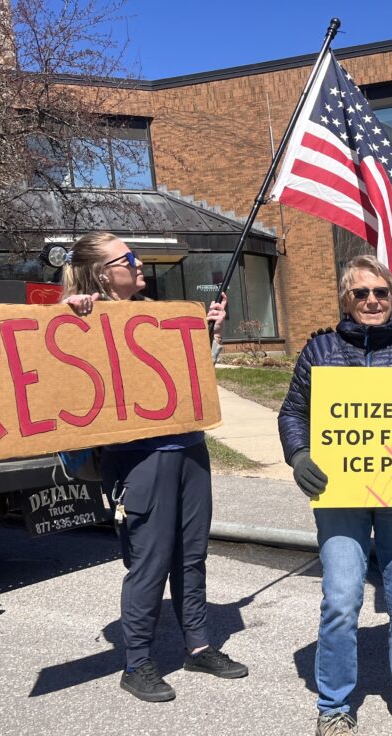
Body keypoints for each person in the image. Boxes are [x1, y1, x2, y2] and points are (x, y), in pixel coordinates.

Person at [278, 255, 392, 736]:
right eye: (361, 293)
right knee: (340, 601)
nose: (372, 300)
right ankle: (333, 708)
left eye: (381, 292)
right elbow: (293, 412)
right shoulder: (320, 350)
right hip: (341, 496)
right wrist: (299, 454)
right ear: (346, 299)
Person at [61, 231, 247, 703]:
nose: (139, 263)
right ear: (103, 274)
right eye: (128, 258)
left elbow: (194, 379)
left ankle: (198, 646)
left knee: (192, 555)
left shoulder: (157, 317)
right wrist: (71, 312)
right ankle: (137, 662)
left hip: (190, 449)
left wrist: (210, 334)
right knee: (150, 562)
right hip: (137, 459)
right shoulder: (80, 317)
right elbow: (56, 364)